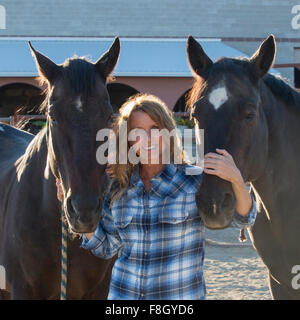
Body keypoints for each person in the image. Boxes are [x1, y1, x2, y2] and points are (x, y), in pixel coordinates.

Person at [56, 94, 257, 300]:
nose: (148, 139)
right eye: (138, 132)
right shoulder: (118, 189)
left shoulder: (194, 180)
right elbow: (106, 247)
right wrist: (68, 206)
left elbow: (243, 218)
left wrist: (236, 180)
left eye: (155, 130)